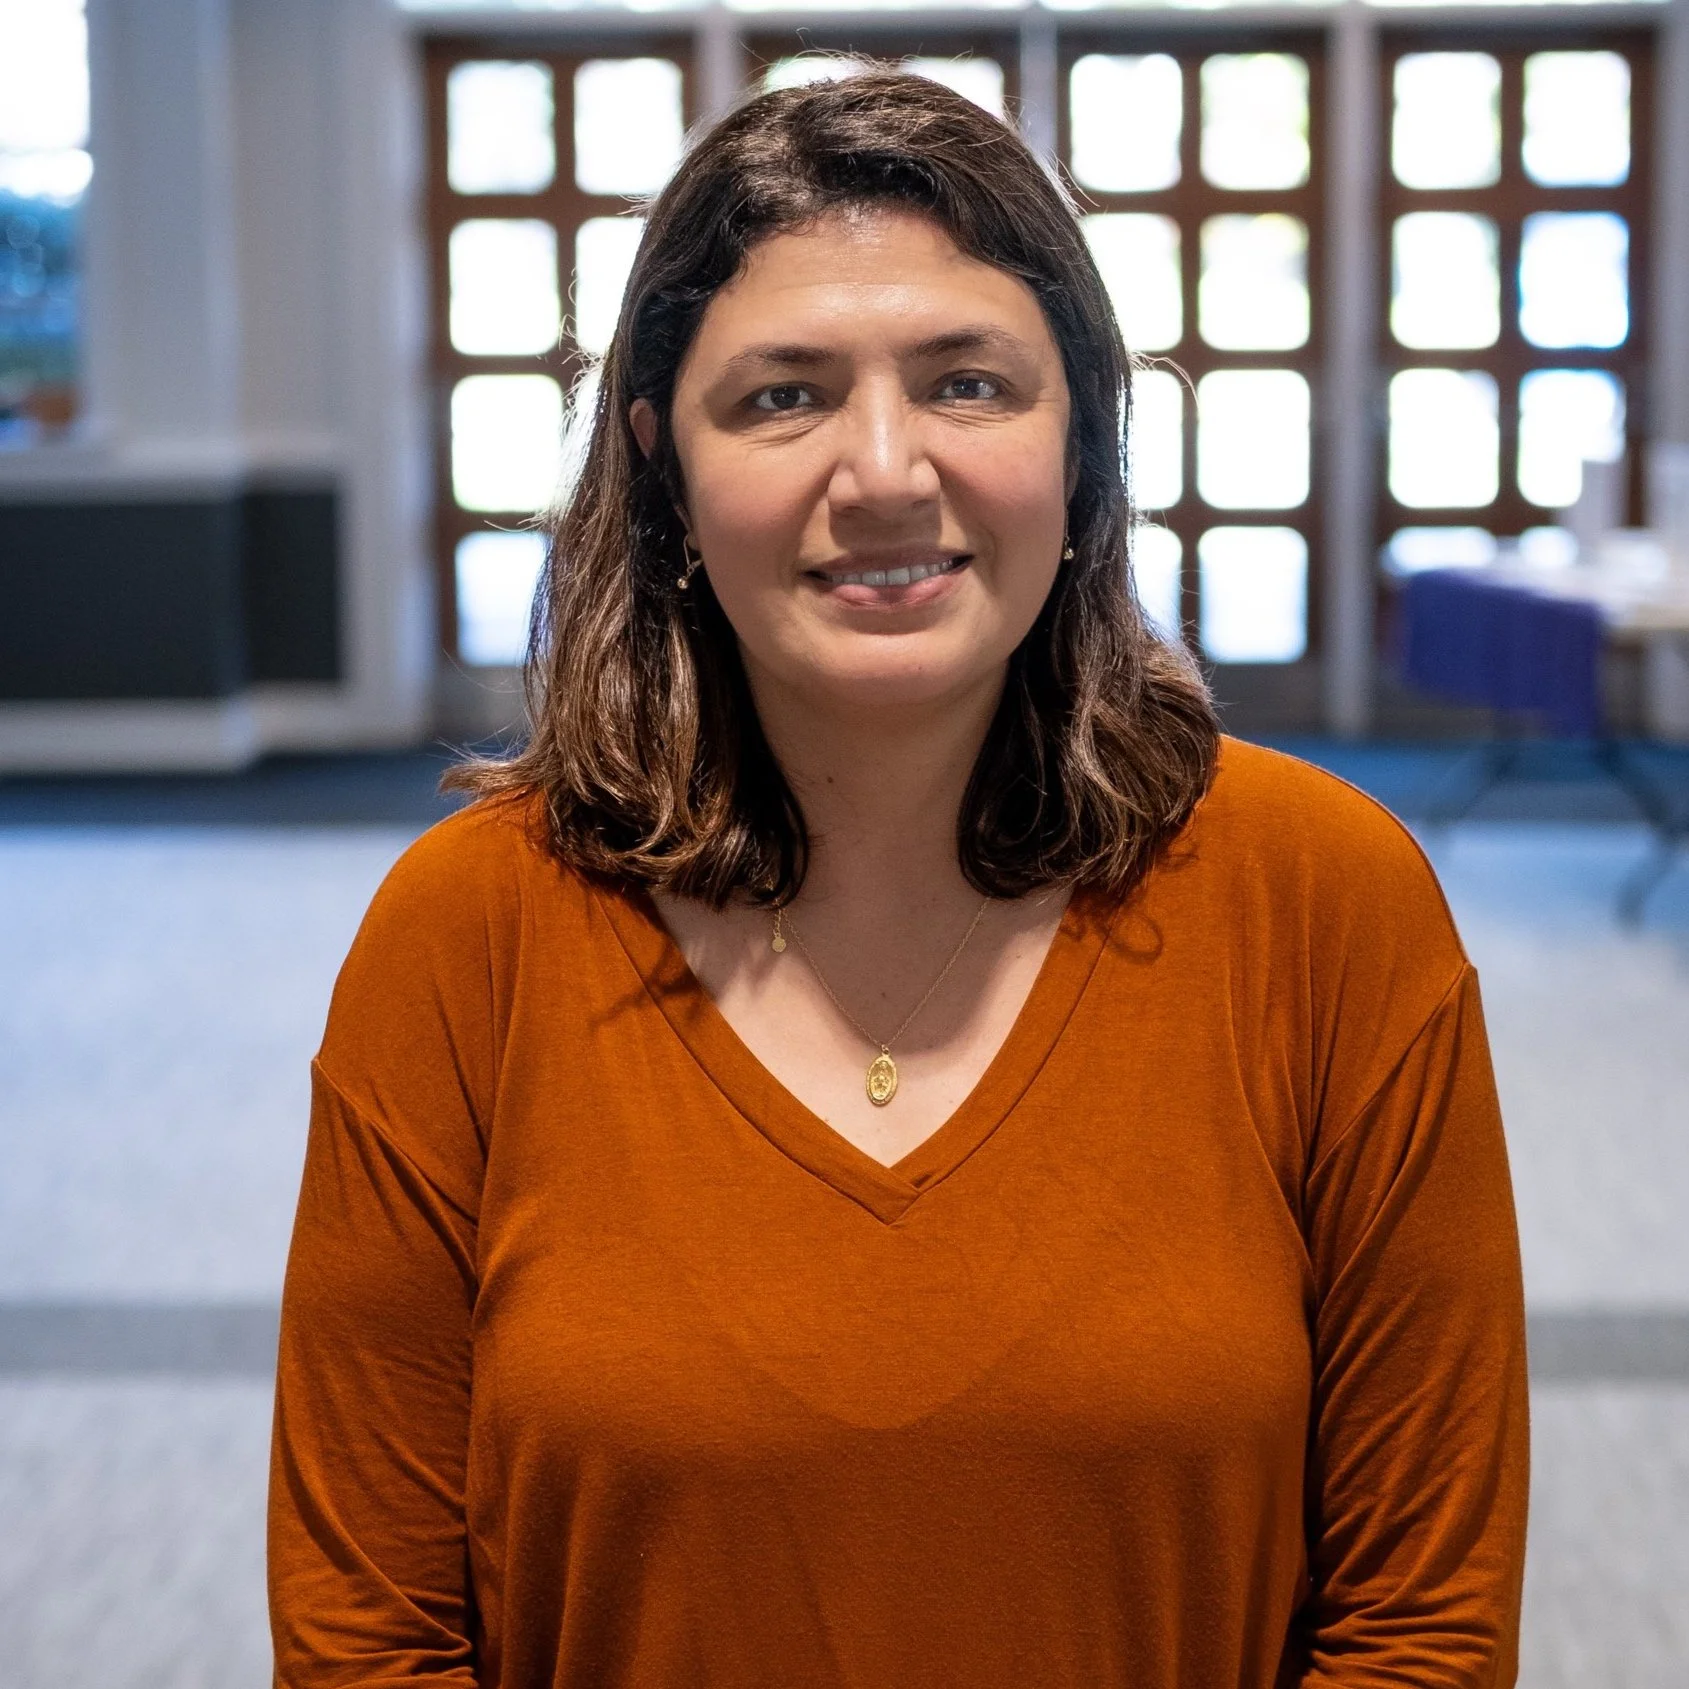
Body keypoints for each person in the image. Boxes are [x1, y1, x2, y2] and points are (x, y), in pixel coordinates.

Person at [268, 69, 1529, 1688]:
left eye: (968, 384)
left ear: (1078, 441)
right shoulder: (467, 937)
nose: (883, 469)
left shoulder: (1325, 902)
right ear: (660, 465)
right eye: (784, 396)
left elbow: (1422, 1625)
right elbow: (366, 1637)